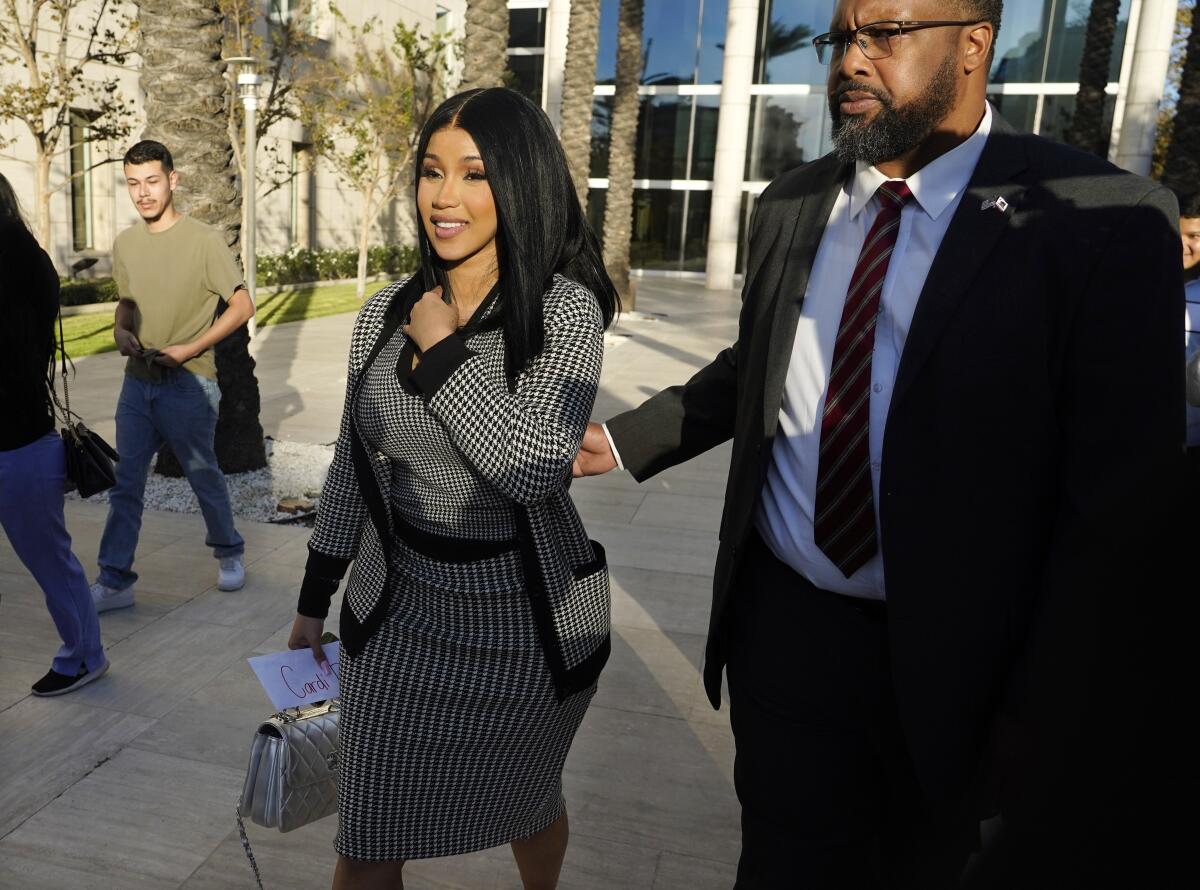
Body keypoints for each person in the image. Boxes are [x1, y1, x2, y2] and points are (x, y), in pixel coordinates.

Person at [574, 1, 1185, 886]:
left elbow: (1121, 515)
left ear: (974, 42)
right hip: (786, 638)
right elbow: (764, 361)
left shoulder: (1101, 220)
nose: (851, 61)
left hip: (968, 668)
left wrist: (1050, 707)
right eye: (840, 37)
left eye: (883, 34)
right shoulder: (791, 203)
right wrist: (626, 438)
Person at [288, 88, 619, 890]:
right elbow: (353, 471)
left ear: (520, 183)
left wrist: (440, 356)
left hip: (523, 626)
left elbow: (531, 465)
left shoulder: (563, 314)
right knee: (365, 836)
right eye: (432, 172)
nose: (445, 196)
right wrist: (310, 602)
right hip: (398, 614)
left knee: (528, 801)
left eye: (474, 175)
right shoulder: (382, 317)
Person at [89, 140, 253, 612]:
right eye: (133, 184)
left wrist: (191, 348)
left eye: (152, 181)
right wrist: (121, 330)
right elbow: (127, 302)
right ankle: (116, 580)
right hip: (136, 382)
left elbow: (242, 305)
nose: (143, 193)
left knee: (203, 475)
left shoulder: (204, 240)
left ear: (173, 180)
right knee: (127, 482)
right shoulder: (125, 243)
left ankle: (230, 553)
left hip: (190, 383)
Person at [0, 173, 109, 696]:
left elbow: (18, 355)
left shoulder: (18, 261)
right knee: (51, 558)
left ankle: (84, 656)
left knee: (49, 559)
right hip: (20, 439)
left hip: (19, 442)